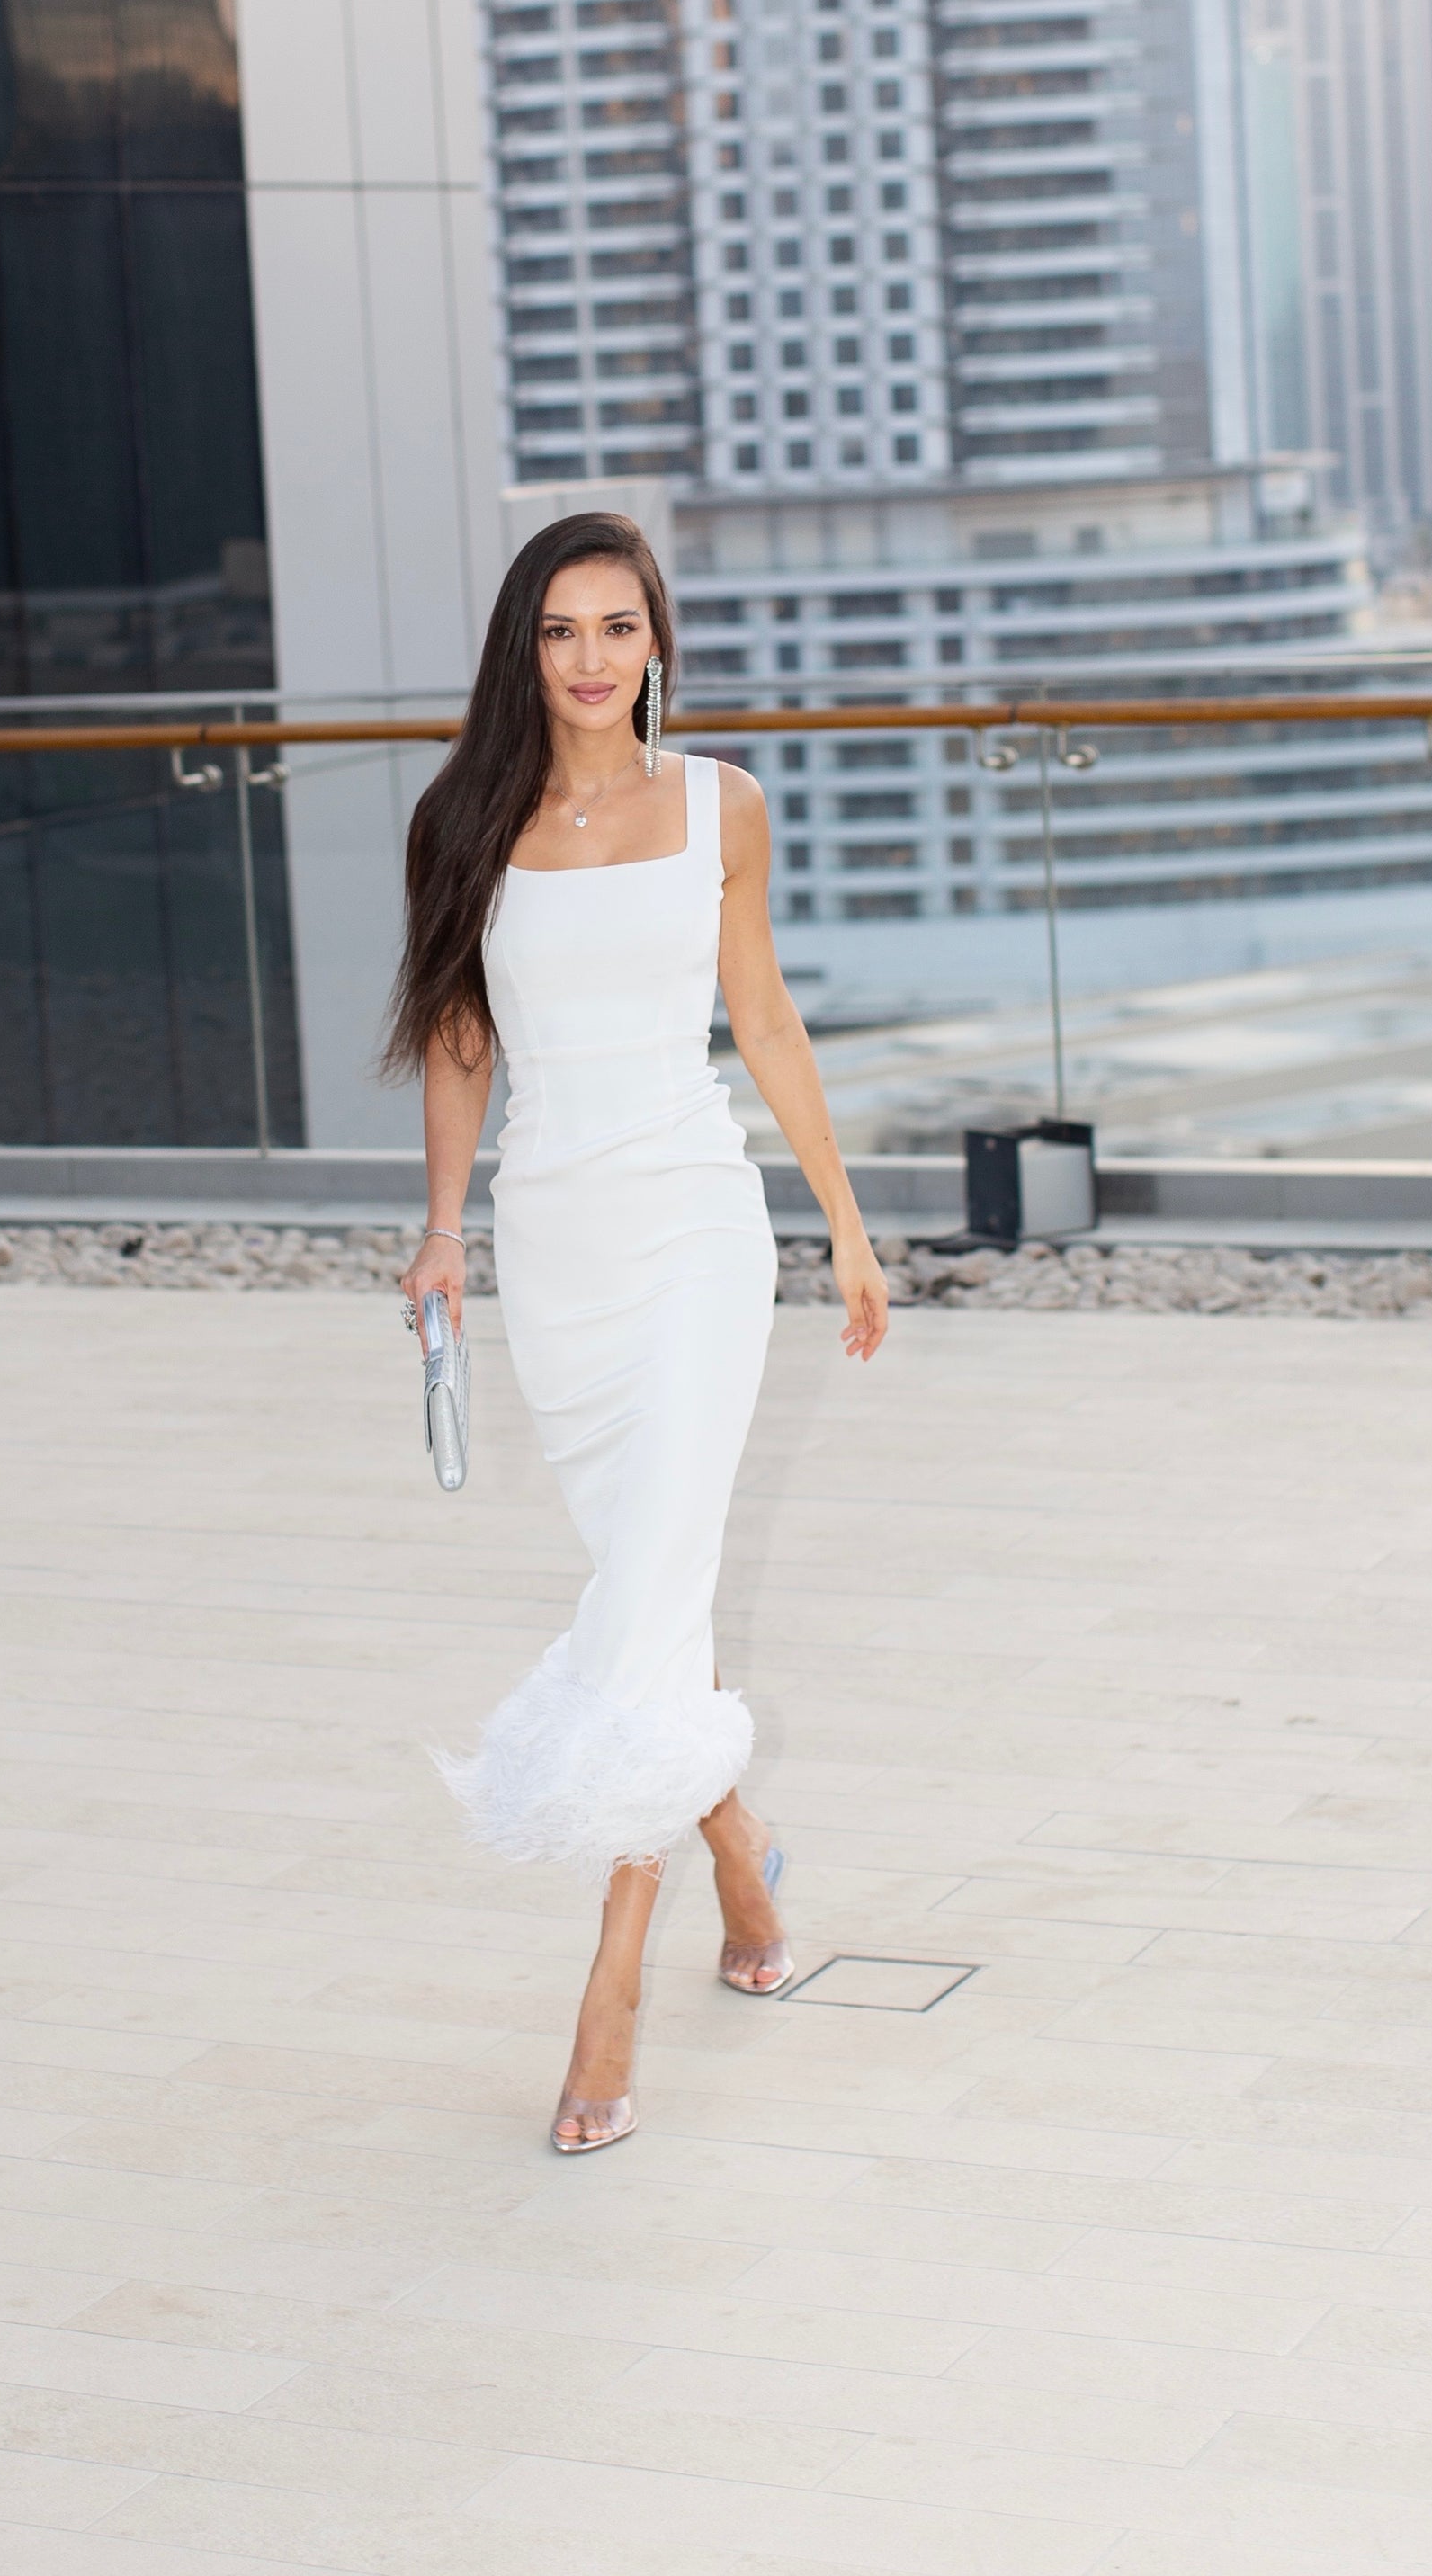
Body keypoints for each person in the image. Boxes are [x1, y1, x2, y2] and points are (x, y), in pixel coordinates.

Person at [385, 510, 889, 2154]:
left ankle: (611, 1987)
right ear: (521, 652)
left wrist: (846, 1221)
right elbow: (459, 1040)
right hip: (557, 1248)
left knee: (646, 1599)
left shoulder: (722, 806)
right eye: (560, 631)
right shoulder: (465, 820)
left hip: (695, 1235)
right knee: (655, 1596)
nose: (592, 659)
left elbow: (766, 1017)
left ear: (657, 642)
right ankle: (742, 1862)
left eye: (618, 627)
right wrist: (445, 1229)